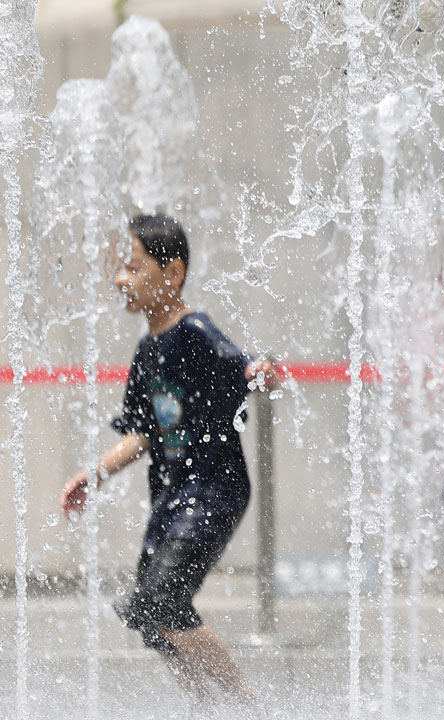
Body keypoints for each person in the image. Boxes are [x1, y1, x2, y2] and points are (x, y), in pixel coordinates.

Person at [59, 214, 273, 706]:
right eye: (119, 269)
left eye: (133, 268)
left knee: (162, 601)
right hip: (172, 495)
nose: (120, 280)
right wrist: (94, 475)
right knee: (150, 620)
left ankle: (248, 705)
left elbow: (244, 369)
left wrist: (264, 373)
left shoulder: (195, 331)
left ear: (172, 273)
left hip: (214, 490)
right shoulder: (147, 348)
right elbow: (141, 432)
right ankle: (206, 706)